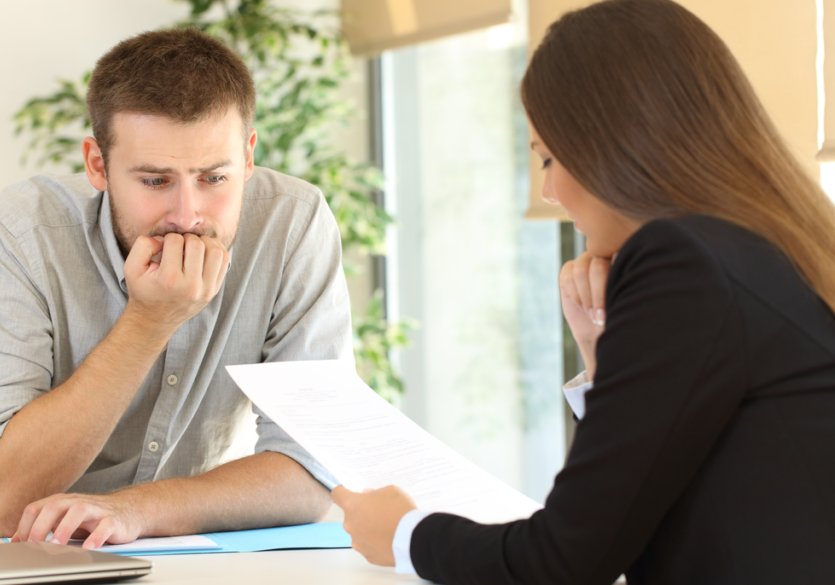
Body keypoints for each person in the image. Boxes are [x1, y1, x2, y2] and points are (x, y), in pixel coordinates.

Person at [333, 0, 835, 583]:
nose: (547, 191)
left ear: (618, 143)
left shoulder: (683, 260)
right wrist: (606, 353)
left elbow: (564, 559)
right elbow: (643, 501)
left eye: (548, 157)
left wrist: (404, 534)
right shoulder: (774, 250)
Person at [0, 28, 352, 547]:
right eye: (156, 181)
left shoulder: (294, 224)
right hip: (6, 558)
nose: (188, 215)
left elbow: (311, 474)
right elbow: (0, 505)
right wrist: (148, 321)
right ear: (97, 165)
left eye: (214, 178)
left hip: (183, 554)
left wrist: (132, 512)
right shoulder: (15, 234)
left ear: (247, 157)